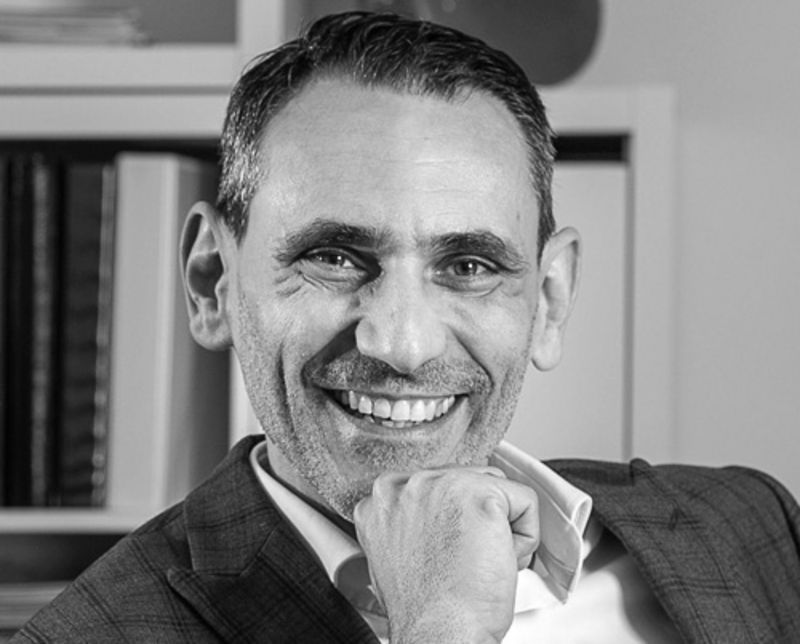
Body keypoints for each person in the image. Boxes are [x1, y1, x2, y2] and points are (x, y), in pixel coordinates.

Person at [13, 11, 800, 644]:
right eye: (333, 257)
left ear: (550, 300)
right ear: (211, 281)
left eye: (469, 266)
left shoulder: (750, 531)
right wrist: (442, 626)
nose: (402, 345)